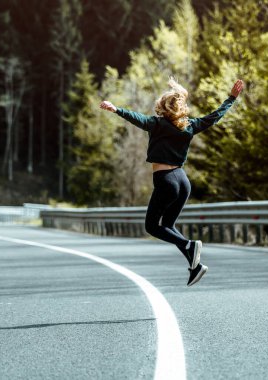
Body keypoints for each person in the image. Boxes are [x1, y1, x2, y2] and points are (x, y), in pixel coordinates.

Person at [100, 77, 244, 286]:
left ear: (163, 107)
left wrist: (116, 109)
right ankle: (195, 266)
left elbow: (136, 117)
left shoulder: (156, 124)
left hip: (166, 181)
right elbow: (214, 117)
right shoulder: (189, 126)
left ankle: (189, 245)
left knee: (152, 226)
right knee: (167, 225)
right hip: (182, 181)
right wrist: (231, 98)